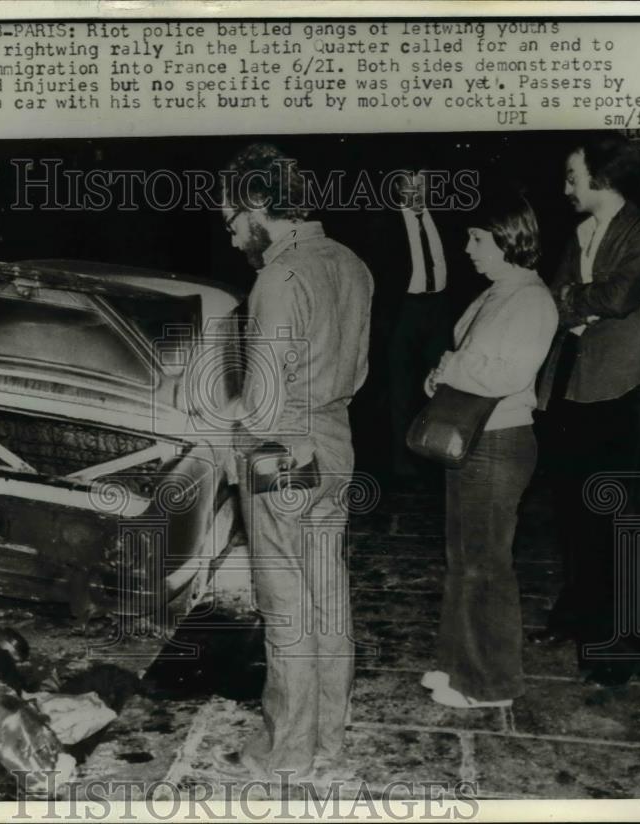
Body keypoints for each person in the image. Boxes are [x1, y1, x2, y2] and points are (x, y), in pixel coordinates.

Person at [211, 143, 373, 780]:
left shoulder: (277, 278)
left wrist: (223, 417)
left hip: (281, 454)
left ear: (257, 204)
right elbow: (353, 371)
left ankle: (285, 753)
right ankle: (329, 742)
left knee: (285, 606)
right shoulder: (352, 264)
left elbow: (263, 402)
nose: (230, 238)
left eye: (230, 221)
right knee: (328, 601)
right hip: (335, 443)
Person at [530, 133, 640, 688]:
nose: (566, 187)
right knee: (572, 512)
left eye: (572, 175)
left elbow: (617, 298)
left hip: (617, 388)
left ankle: (619, 647)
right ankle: (576, 615)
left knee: (614, 520)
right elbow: (551, 295)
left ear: (602, 177)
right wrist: (573, 302)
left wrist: (571, 301)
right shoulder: (580, 231)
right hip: (570, 386)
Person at [420, 191, 557, 709]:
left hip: (499, 442)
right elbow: (471, 356)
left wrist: (450, 369)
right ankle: (460, 668)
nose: (468, 247)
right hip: (479, 437)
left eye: (477, 238)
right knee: (465, 560)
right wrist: (444, 370)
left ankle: (491, 685)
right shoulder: (501, 290)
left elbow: (509, 373)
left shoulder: (529, 298)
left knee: (486, 565)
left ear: (508, 238)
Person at [386, 170, 455, 487]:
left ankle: (434, 458)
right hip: (403, 309)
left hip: (439, 308)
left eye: (422, 187)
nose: (417, 194)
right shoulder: (385, 223)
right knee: (400, 389)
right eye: (410, 188)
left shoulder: (443, 216)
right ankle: (402, 466)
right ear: (398, 189)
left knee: (439, 387)